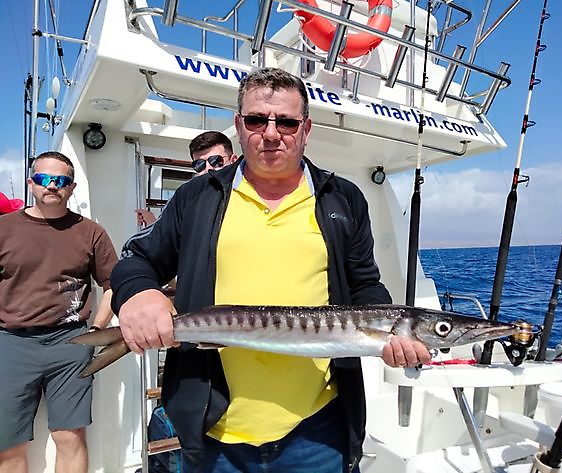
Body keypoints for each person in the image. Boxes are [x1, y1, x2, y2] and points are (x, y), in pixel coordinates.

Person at [111, 67, 430, 473]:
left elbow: (365, 282)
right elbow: (137, 259)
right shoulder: (197, 196)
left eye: (287, 121)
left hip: (317, 429)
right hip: (214, 432)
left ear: (306, 128)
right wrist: (138, 291)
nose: (272, 132)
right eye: (257, 119)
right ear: (240, 125)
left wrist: (392, 332)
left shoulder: (343, 198)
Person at [0, 151, 118, 473]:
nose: (52, 186)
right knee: (7, 444)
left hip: (70, 344)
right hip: (11, 343)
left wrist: (97, 327)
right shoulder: (4, 228)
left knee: (70, 436)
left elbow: (112, 284)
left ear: (72, 186)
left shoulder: (91, 232)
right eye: (44, 179)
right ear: (31, 183)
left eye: (61, 180)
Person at [136, 131, 238, 227]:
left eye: (216, 160)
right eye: (200, 164)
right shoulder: (189, 201)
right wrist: (151, 222)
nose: (208, 168)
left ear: (233, 160)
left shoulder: (248, 194)